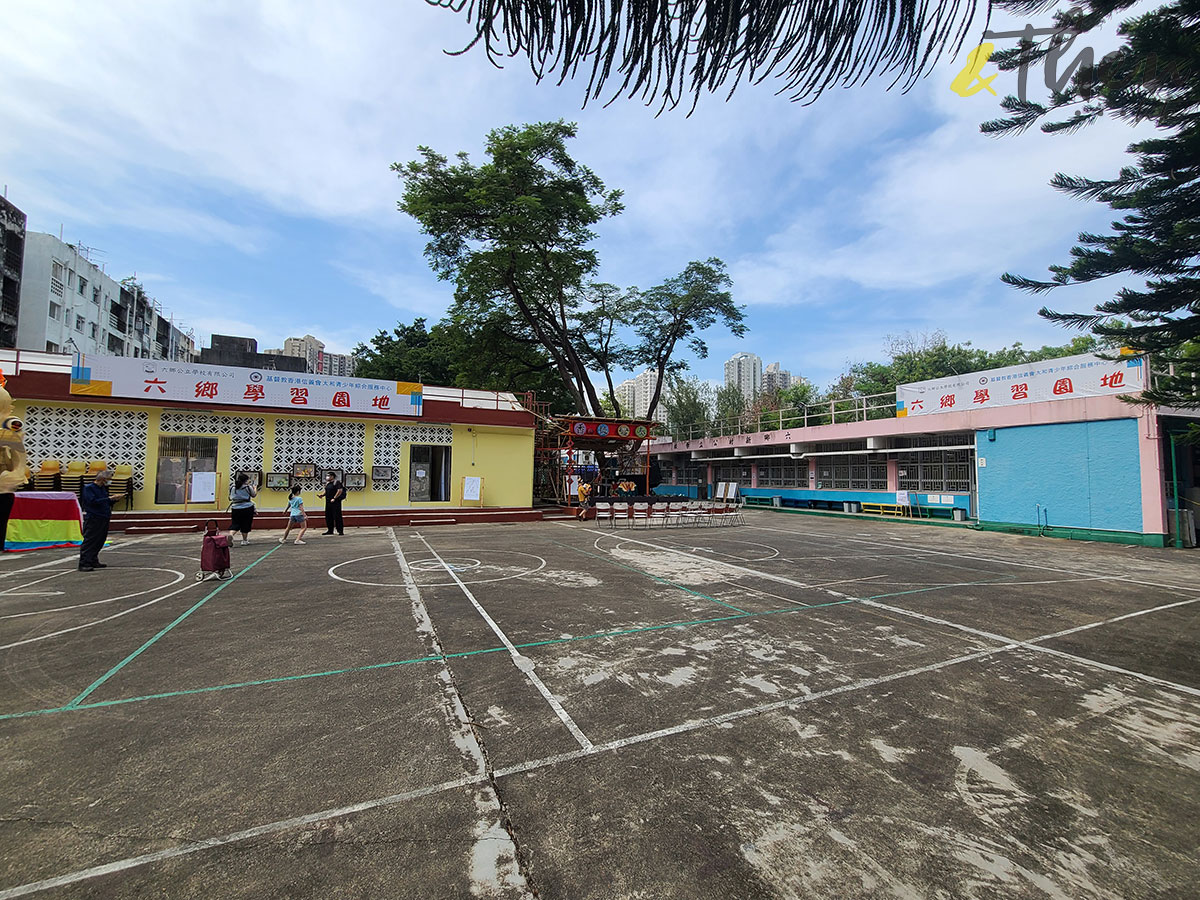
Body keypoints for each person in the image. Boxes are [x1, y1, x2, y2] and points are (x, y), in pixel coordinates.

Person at [79, 469, 118, 571]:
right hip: (93, 517)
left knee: (100, 540)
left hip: (103, 517)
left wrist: (113, 500)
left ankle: (93, 559)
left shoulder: (103, 488)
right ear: (103, 479)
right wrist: (109, 499)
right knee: (90, 540)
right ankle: (84, 562)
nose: (110, 481)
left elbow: (104, 502)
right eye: (109, 479)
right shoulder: (89, 488)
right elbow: (92, 502)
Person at [227, 473, 257, 546]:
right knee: (245, 523)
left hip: (235, 507)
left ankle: (231, 534)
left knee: (235, 523)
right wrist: (255, 488)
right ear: (245, 480)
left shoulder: (232, 487)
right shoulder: (247, 487)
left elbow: (229, 497)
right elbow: (253, 495)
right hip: (247, 507)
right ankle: (244, 540)